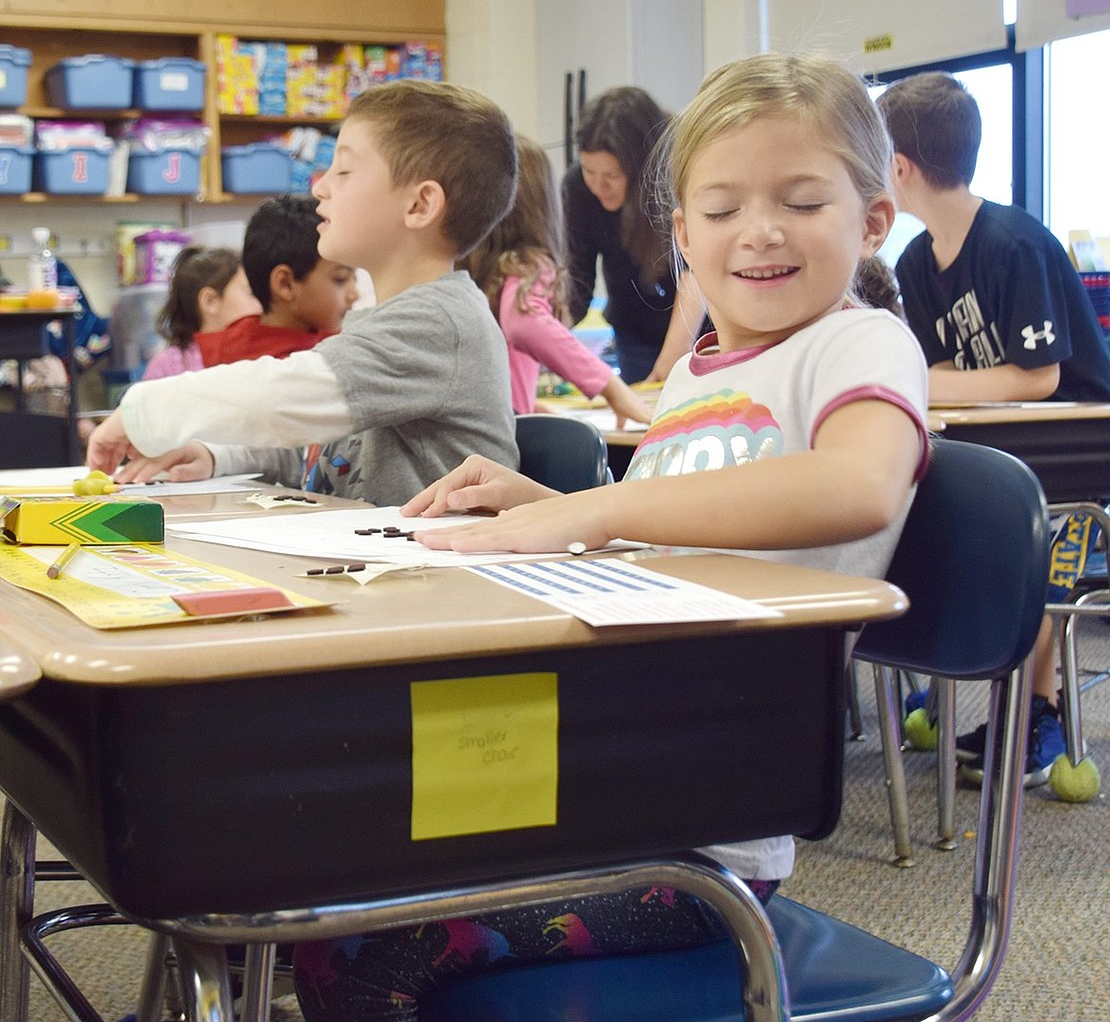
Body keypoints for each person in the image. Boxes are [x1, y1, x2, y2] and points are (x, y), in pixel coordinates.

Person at [290, 53, 930, 1021]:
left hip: (706, 839)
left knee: (358, 951)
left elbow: (857, 483)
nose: (757, 231)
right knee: (312, 840)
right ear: (680, 234)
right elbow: (677, 546)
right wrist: (538, 496)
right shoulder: (704, 373)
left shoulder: (860, 341)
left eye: (801, 200)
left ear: (874, 218)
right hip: (610, 776)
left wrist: (593, 506)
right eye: (718, 211)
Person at [85, 78, 520, 509]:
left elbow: (279, 398)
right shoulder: (389, 319)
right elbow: (322, 457)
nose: (320, 187)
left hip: (440, 574)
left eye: (344, 171)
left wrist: (145, 410)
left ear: (419, 206)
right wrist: (216, 456)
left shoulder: (438, 322)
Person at [877, 70, 1110, 786]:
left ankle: (1041, 712)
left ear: (901, 167)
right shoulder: (917, 260)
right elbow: (945, 362)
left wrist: (922, 381)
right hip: (998, 439)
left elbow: (1038, 376)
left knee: (1033, 567)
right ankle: (956, 690)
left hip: (1074, 447)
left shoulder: (1015, 242)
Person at [463, 133, 653, 425]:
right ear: (542, 202)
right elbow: (523, 322)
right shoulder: (528, 264)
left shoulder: (470, 269)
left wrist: (528, 404)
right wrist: (611, 387)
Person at [563, 86, 705, 386]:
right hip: (633, 332)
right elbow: (577, 276)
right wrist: (547, 336)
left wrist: (665, 370)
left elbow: (695, 276)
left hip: (696, 333)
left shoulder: (676, 173)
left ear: (640, 166)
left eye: (612, 176)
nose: (598, 187)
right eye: (590, 171)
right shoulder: (578, 187)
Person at [195, 193, 360, 367]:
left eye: (354, 279)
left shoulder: (236, 339)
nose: (354, 294)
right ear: (285, 284)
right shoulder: (267, 368)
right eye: (340, 279)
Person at [141, 245, 262, 381]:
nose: (262, 306)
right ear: (210, 301)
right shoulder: (168, 365)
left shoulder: (257, 356)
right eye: (252, 293)